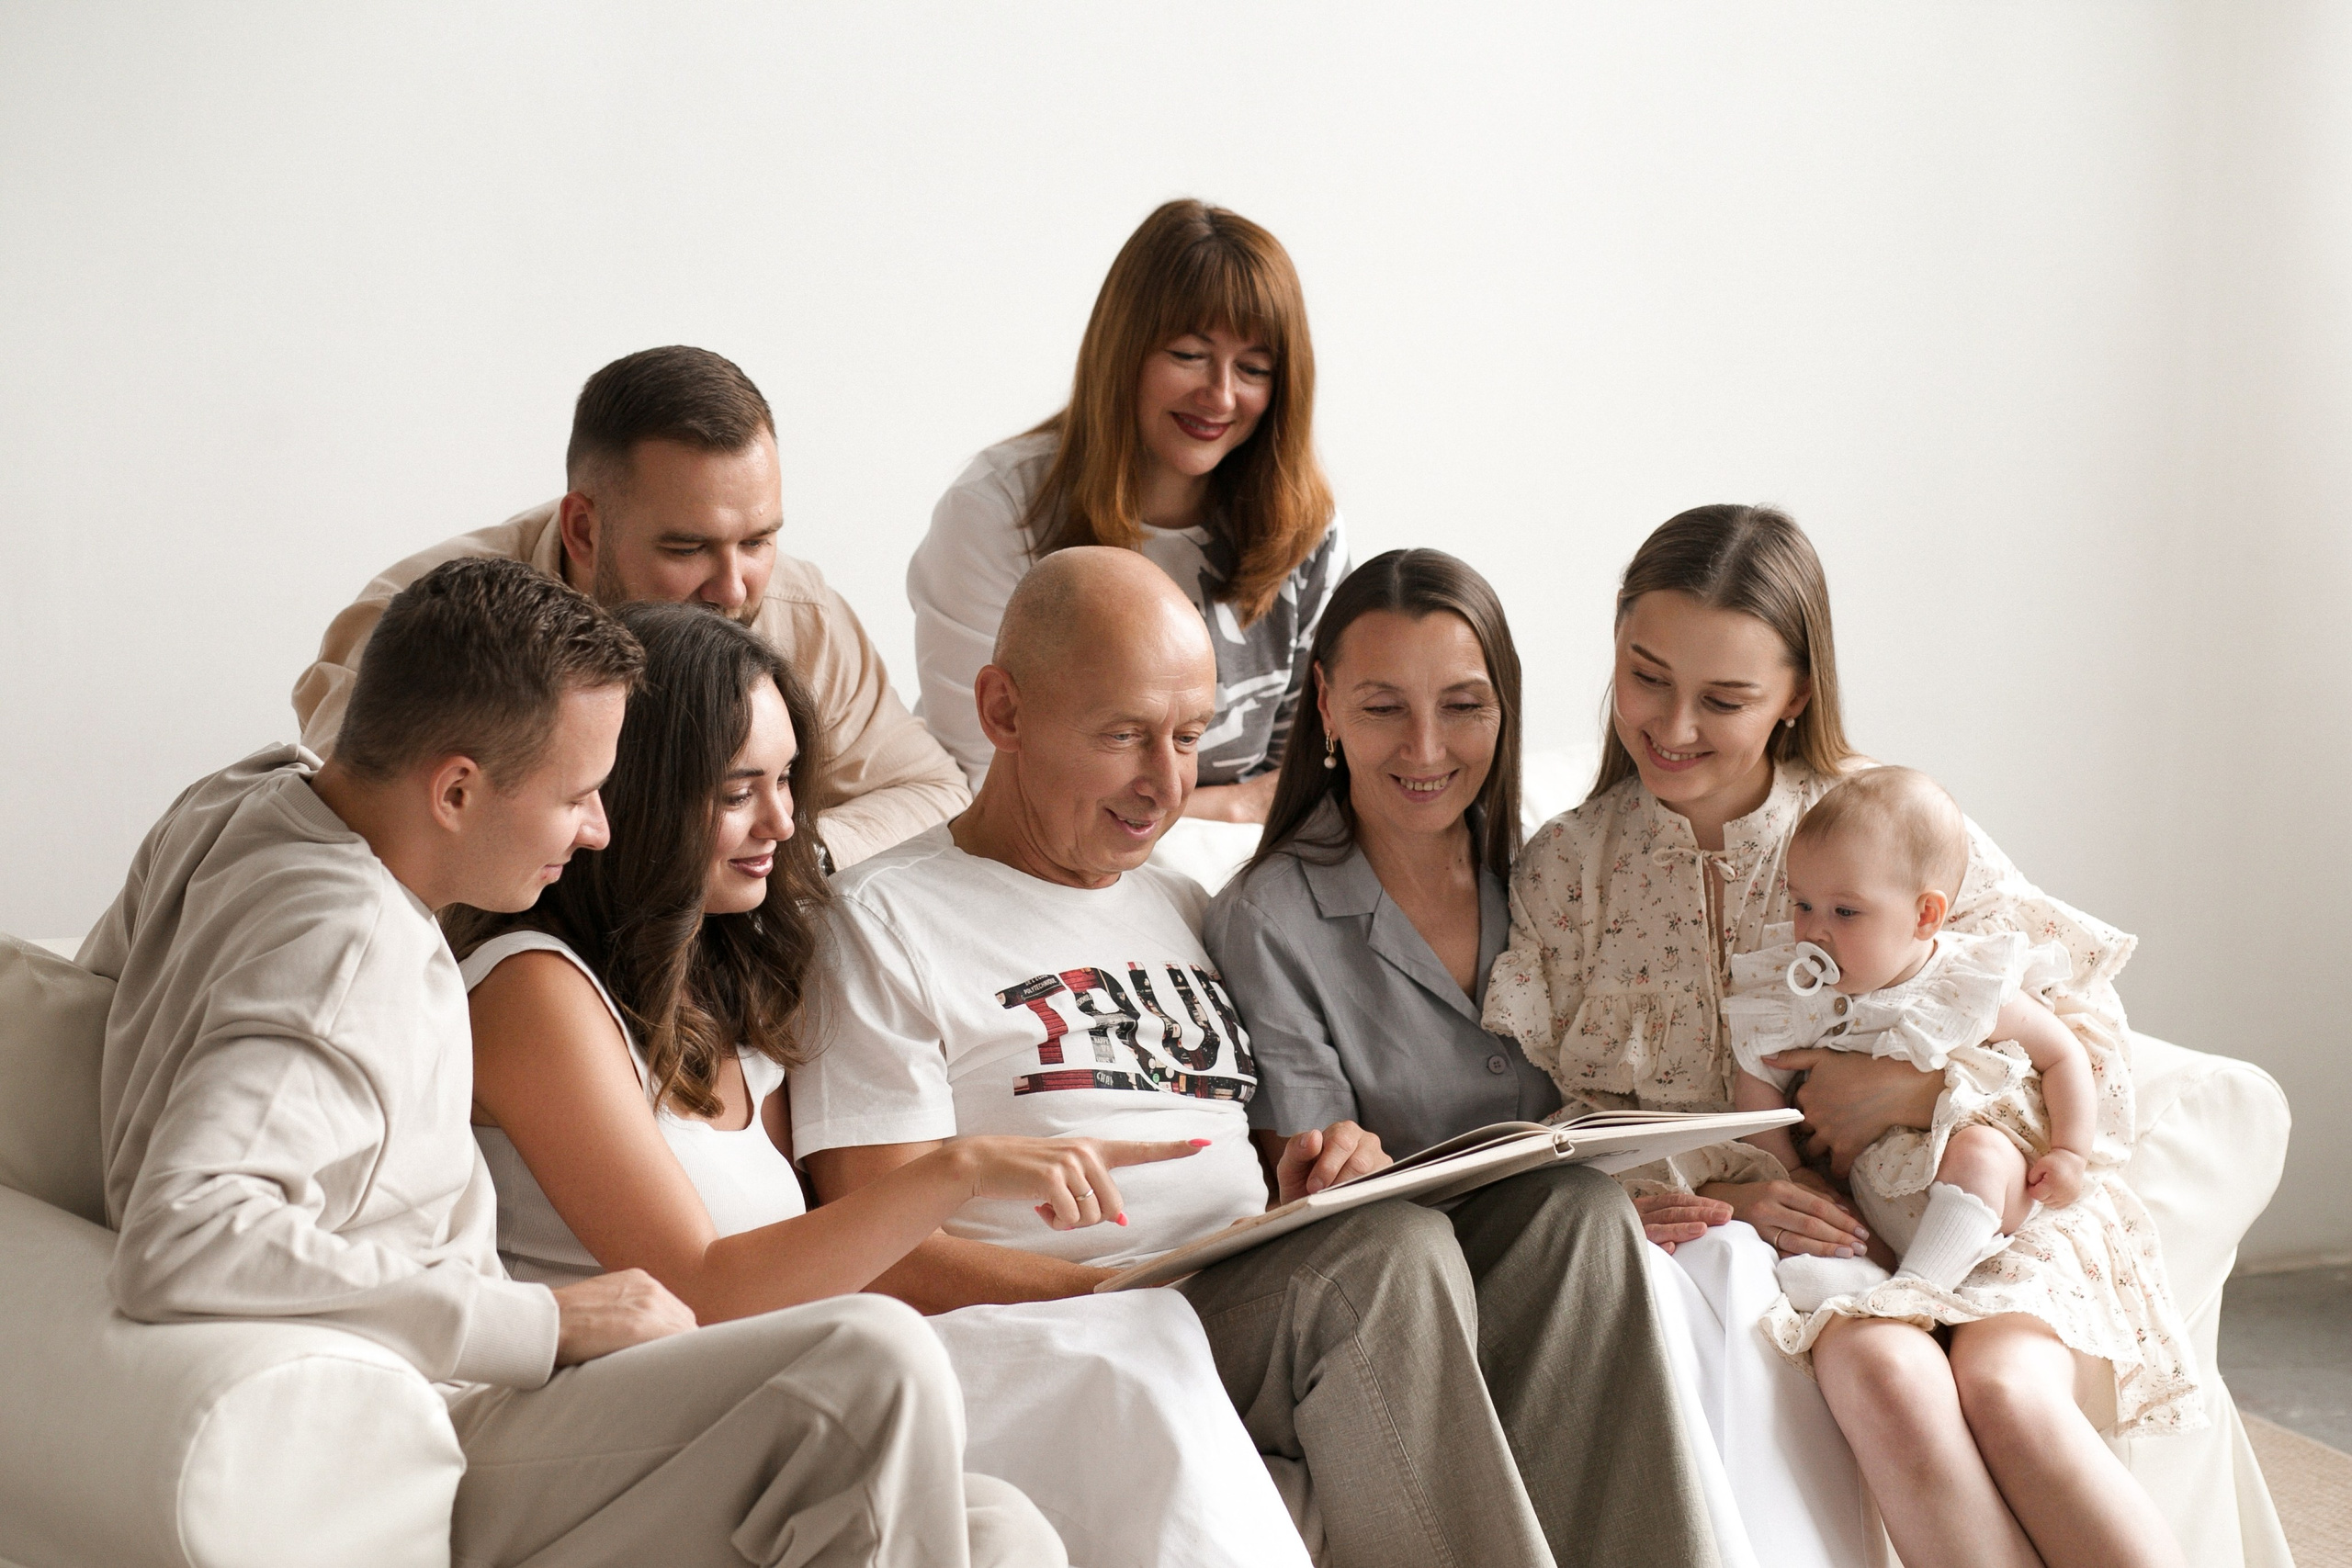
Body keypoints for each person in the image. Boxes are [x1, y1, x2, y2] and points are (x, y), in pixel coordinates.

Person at [87, 558, 1061, 1568]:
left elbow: (97, 1000)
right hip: (444, 1427)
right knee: (870, 1359)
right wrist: (542, 1318)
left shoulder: (244, 798)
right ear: (457, 789)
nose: (601, 829)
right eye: (580, 796)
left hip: (492, 1403)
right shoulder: (349, 950)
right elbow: (181, 1237)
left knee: (1001, 1531)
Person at [795, 545, 1722, 1568]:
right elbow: (866, 1243)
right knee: (1379, 1265)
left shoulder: (1175, 902)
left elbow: (1268, 1142)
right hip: (1093, 1311)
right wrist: (1111, 1291)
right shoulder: (882, 921)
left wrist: (1322, 1167)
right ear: (1003, 711)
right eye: (1122, 736)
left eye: (1189, 737)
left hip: (1243, 1280)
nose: (1164, 785)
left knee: (1570, 1219)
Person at [447, 599, 1308, 1568]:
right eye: (738, 791)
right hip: (599, 1417)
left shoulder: (741, 1004)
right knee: (1085, 1350)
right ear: (633, 796)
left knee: (1011, 1531)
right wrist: (957, 1171)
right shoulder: (535, 989)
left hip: (760, 1392)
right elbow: (698, 1287)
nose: (782, 820)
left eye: (785, 782)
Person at [1483, 504, 2190, 1568]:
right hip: (1832, 1257)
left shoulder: (1878, 826)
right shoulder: (1566, 870)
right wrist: (1722, 1184)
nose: (1672, 725)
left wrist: (1915, 1098)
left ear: (1795, 695)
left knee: (2005, 1393)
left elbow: (2082, 1041)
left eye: (1723, 699)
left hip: (1991, 1217)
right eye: (1645, 676)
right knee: (1890, 1381)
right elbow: (1550, 1120)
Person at [1200, 547, 1863, 1568]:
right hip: (1399, 1279)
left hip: (1568, 1233)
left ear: (1504, 707)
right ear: (1323, 707)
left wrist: (1658, 1187)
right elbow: (1317, 1187)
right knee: (1569, 1224)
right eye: (1382, 709)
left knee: (1589, 1216)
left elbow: (1636, 1097)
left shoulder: (1557, 871)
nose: (1426, 747)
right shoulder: (1272, 917)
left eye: (1462, 704)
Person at [293, 344, 967, 868]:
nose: (733, 589)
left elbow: (935, 794)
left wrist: (778, 858)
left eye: (759, 539)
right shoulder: (414, 626)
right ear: (584, 529)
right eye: (686, 548)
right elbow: (362, 847)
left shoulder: (802, 612)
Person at [907, 198, 1347, 825]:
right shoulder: (998, 512)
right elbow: (989, 789)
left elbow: (1313, 775)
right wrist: (1233, 806)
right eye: (1189, 355)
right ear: (1125, 350)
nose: (1220, 395)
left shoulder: (1304, 531)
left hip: (1232, 879)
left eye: (1252, 368)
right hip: (1030, 876)